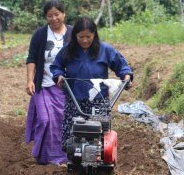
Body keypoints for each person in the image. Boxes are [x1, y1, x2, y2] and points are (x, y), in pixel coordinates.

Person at [50, 16, 133, 150]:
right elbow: (56, 66)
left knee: (100, 135)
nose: (85, 40)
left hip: (99, 101)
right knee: (73, 135)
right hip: (74, 100)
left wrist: (126, 75)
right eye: (81, 37)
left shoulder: (105, 49)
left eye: (88, 36)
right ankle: (74, 159)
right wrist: (59, 76)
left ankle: (100, 160)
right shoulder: (68, 50)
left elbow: (121, 65)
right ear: (75, 36)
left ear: (94, 34)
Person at [25, 0, 72, 165]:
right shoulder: (40, 34)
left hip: (66, 88)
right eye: (49, 15)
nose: (53, 18)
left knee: (63, 121)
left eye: (56, 14)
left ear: (64, 14)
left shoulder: (73, 33)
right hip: (43, 85)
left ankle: (63, 156)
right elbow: (31, 58)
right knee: (45, 120)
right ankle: (43, 155)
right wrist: (30, 80)